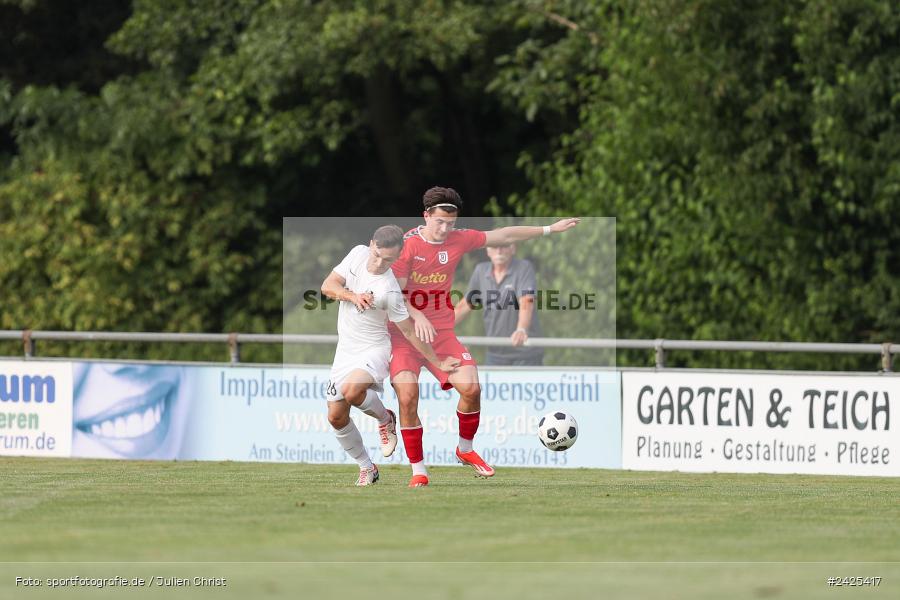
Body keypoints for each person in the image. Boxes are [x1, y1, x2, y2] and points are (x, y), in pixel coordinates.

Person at [389, 187, 579, 487]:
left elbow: (503, 235)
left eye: (451, 223)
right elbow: (394, 296)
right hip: (406, 336)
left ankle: (464, 450)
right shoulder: (407, 246)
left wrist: (548, 229)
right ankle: (419, 471)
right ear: (426, 216)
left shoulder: (457, 238)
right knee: (408, 396)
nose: (445, 228)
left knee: (472, 388)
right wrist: (418, 313)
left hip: (441, 334)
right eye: (439, 222)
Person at [320, 224, 459, 486]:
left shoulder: (389, 289)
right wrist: (352, 296)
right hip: (345, 351)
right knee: (335, 417)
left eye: (388, 260)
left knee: (352, 391)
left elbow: (408, 331)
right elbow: (328, 286)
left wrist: (438, 361)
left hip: (373, 348)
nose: (380, 263)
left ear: (396, 258)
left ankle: (385, 419)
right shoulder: (357, 254)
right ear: (372, 244)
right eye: (378, 255)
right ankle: (367, 467)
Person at [454, 243, 544, 366]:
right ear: (488, 251)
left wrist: (521, 329)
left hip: (525, 353)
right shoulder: (481, 271)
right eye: (495, 246)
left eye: (504, 246)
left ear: (513, 249)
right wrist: (440, 331)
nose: (499, 251)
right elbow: (463, 307)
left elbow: (526, 301)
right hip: (495, 353)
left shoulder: (524, 268)